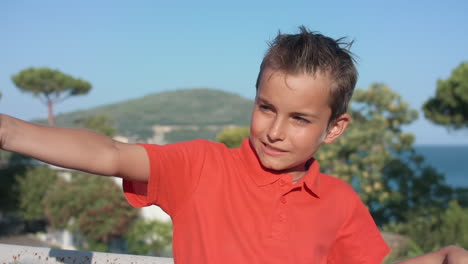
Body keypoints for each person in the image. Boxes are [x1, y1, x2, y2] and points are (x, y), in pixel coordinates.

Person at [0, 26, 466, 263]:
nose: (275, 130)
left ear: (334, 128)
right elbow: (110, 153)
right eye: (267, 107)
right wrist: (11, 132)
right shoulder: (202, 165)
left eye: (300, 118)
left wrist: (440, 258)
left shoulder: (340, 203)